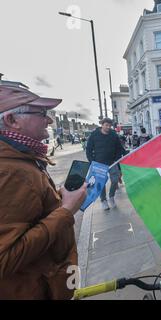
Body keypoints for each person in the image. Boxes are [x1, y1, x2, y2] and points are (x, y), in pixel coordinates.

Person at [0, 85, 87, 299]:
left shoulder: (20, 157)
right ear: (12, 120)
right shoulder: (9, 171)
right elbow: (5, 259)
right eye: (41, 114)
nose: (48, 120)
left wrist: (55, 199)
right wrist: (66, 210)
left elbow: (27, 210)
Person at [86, 118, 126, 210]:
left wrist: (117, 159)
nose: (108, 127)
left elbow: (119, 147)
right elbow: (88, 149)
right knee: (101, 183)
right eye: (106, 125)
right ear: (102, 125)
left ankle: (111, 197)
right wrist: (92, 161)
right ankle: (103, 200)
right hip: (98, 163)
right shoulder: (94, 135)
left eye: (109, 126)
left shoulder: (113, 135)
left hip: (112, 162)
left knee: (115, 180)